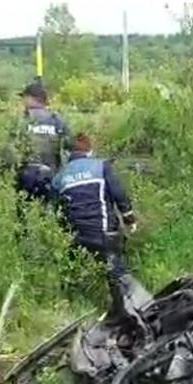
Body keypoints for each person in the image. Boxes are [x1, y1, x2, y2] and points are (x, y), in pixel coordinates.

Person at [51, 133, 138, 318]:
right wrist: (129, 219)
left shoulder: (59, 178)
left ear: (68, 153)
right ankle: (129, 313)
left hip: (76, 238)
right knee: (116, 272)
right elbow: (118, 194)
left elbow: (56, 211)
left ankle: (72, 309)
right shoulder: (101, 166)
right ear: (89, 150)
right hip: (104, 232)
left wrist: (66, 235)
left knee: (72, 274)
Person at [0, 80, 73, 202]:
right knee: (49, 211)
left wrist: (3, 173)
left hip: (26, 177)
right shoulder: (57, 120)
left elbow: (9, 151)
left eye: (24, 97)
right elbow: (70, 146)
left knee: (24, 212)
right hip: (52, 176)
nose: (23, 101)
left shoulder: (21, 121)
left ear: (31, 98)